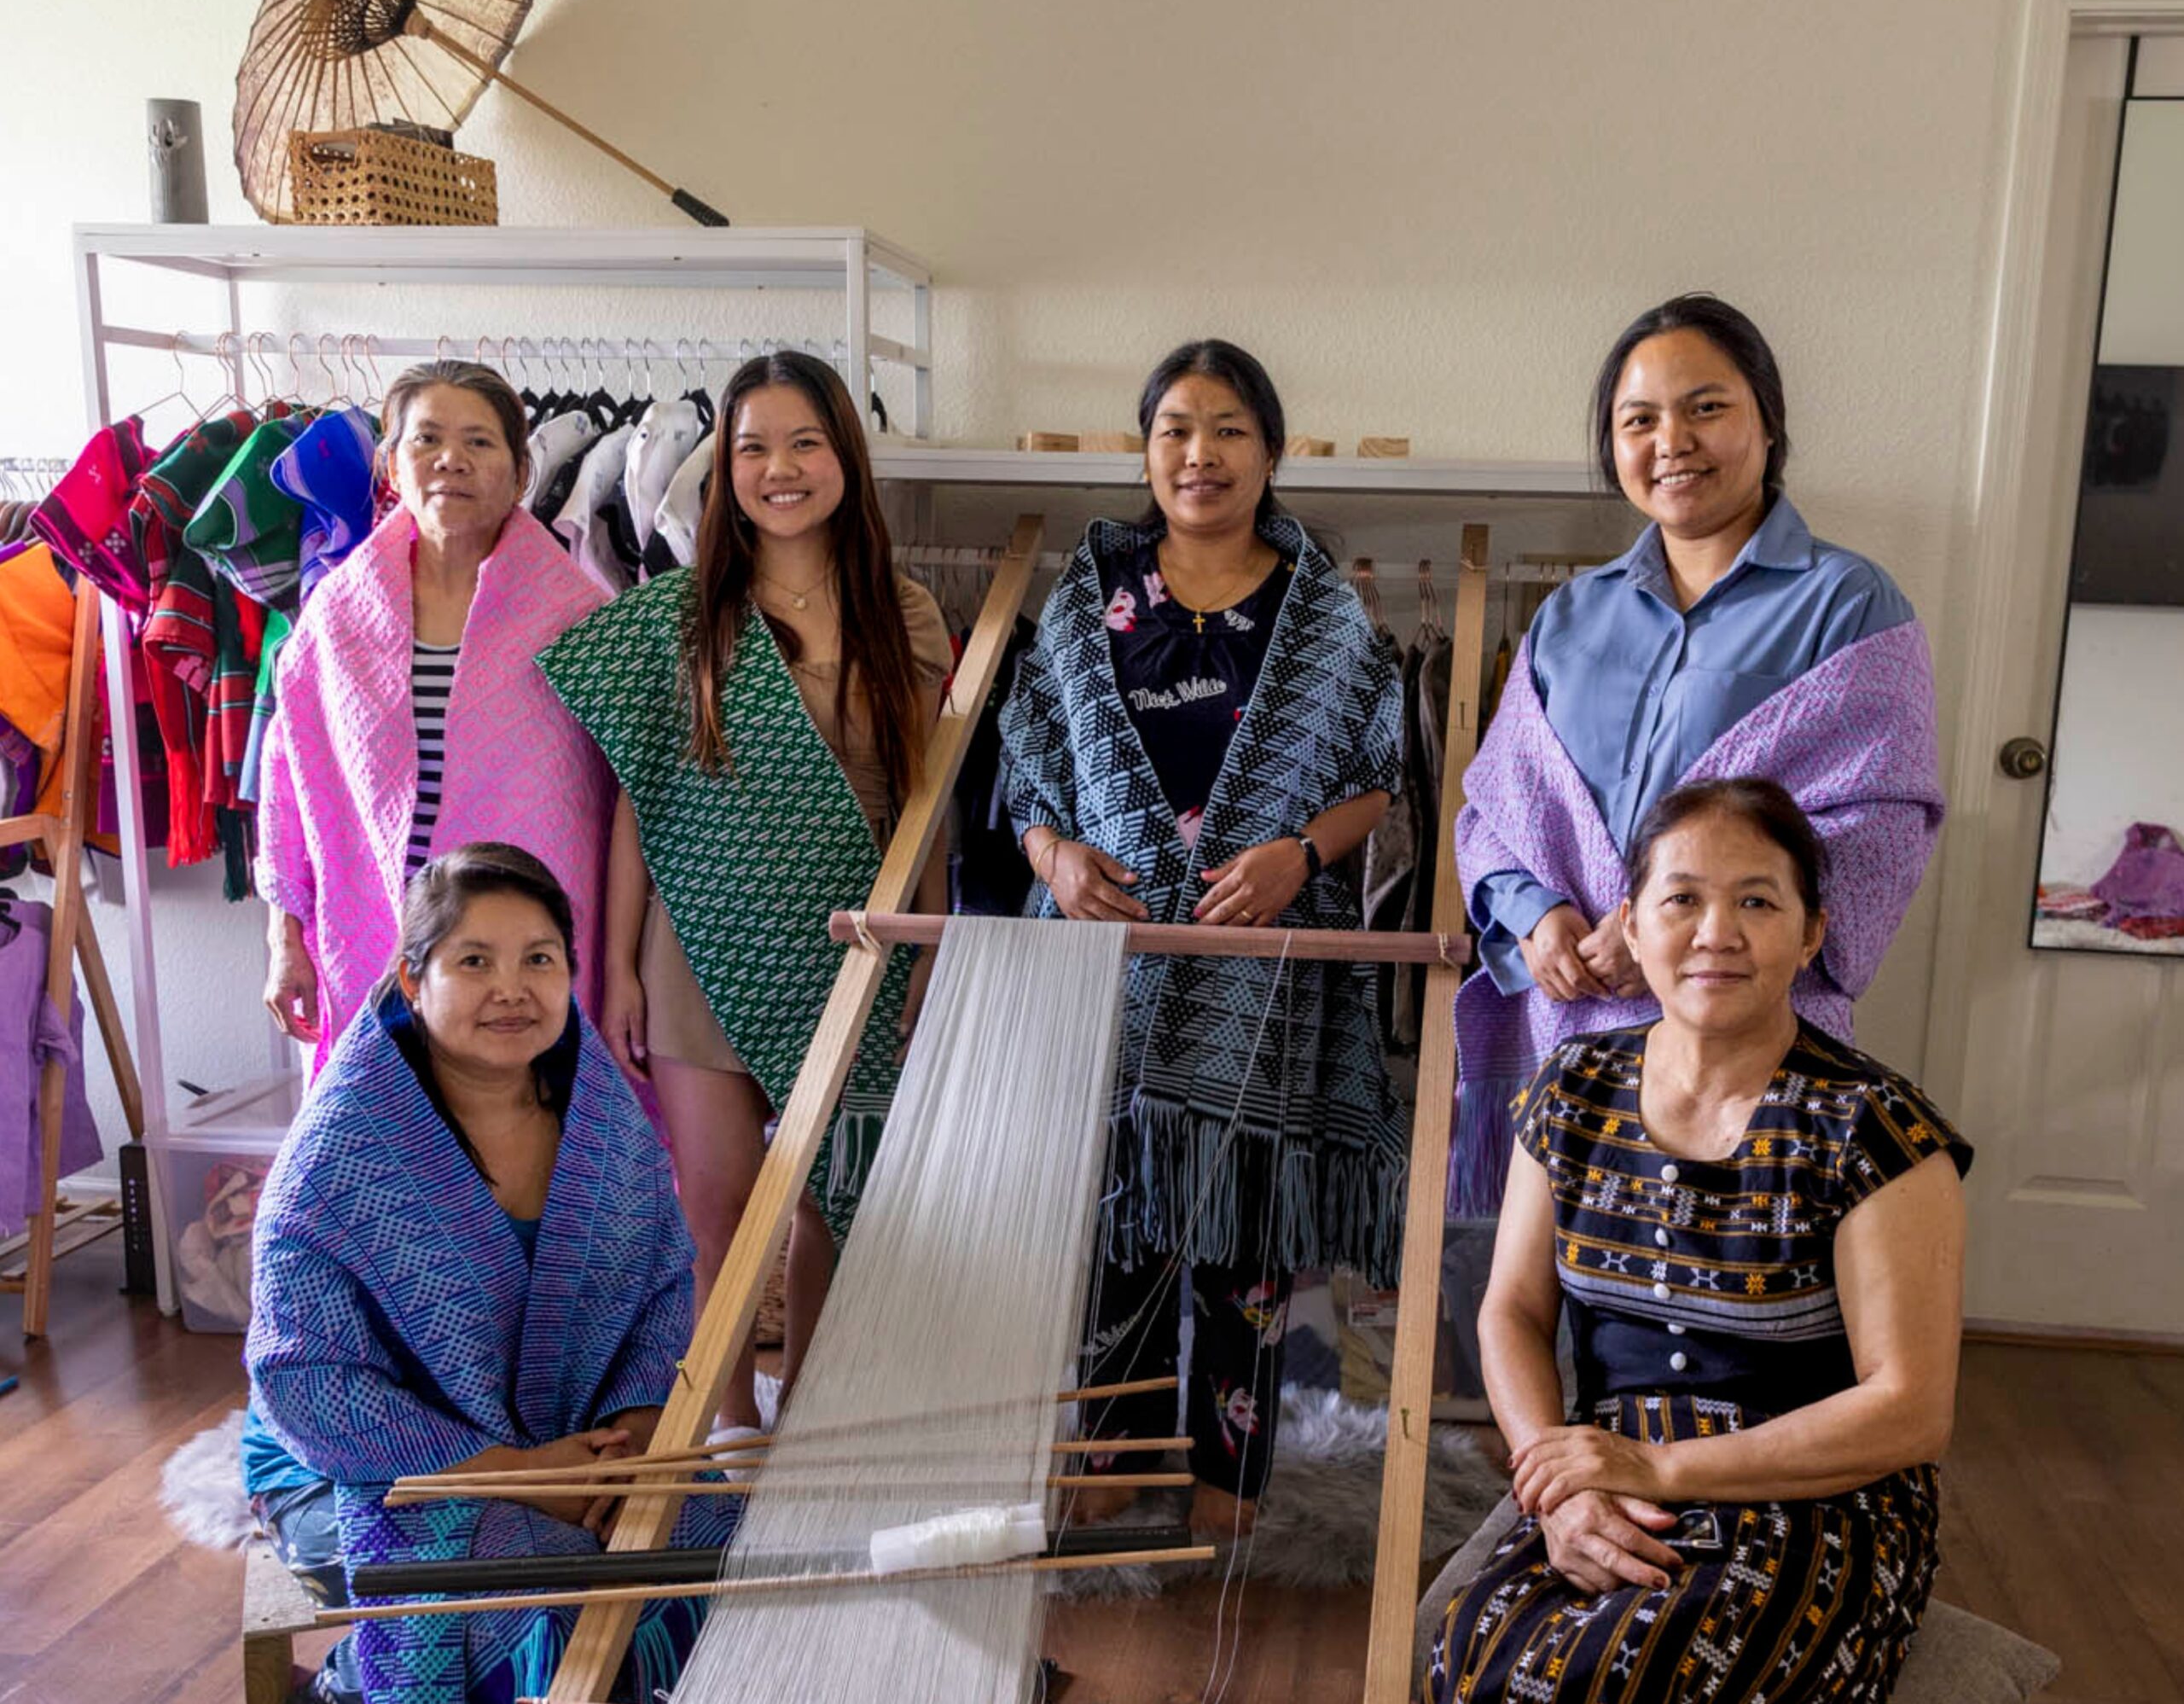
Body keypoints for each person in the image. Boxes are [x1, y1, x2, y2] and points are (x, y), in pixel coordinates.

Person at [1391, 779, 1970, 1704]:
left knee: (1634, 1683)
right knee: (1475, 1657)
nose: (1718, 931)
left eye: (1757, 900)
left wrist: (1653, 1474)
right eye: (1683, 899)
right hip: (1604, 1465)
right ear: (1633, 927)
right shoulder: (1578, 1089)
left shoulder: (1872, 1132)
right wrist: (1565, 1481)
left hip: (1817, 1496)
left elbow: (1911, 1410)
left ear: (1812, 932)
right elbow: (1509, 1318)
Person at [247, 844, 736, 1704]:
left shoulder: (598, 1113)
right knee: (530, 1568)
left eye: (541, 958)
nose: (512, 989)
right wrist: (515, 1470)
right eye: (474, 959)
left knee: (717, 1521)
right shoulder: (345, 1148)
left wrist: (638, 1421)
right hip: (354, 1463)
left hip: (567, 1434)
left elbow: (662, 1276)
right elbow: (303, 1377)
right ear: (412, 977)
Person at [1000, 340, 1407, 1536]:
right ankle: (1111, 1459)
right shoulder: (1086, 602)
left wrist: (1300, 858)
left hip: (1263, 973)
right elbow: (1028, 769)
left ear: (1270, 451)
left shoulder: (1324, 611)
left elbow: (1379, 773)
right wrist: (1055, 860)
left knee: (1245, 1237)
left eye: (1229, 429)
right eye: (1176, 428)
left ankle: (1228, 1481)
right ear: (1146, 451)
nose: (1201, 454)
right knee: (1113, 1218)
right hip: (1108, 967)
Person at [1449, 294, 1945, 1214]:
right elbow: (1497, 811)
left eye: (1705, 407)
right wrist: (1539, 916)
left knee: (1716, 1294)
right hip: (1573, 1027)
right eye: (1638, 420)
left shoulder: (1847, 603)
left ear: (1766, 419)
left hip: (1744, 1037)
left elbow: (1877, 827)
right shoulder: (1568, 616)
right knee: (1555, 1293)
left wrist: (1671, 932)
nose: (1671, 439)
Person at [537, 352, 951, 1434]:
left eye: (805, 443)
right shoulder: (672, 618)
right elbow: (643, 804)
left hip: (855, 942)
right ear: (723, 470)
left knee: (832, 1199)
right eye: (753, 447)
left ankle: (813, 1409)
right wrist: (620, 965)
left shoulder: (904, 613)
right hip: (698, 951)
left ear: (844, 462)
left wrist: (929, 946)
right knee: (715, 1203)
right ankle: (724, 1422)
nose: (779, 469)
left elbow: (927, 801)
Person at [258, 361, 615, 1074]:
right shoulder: (335, 618)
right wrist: (283, 939)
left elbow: (621, 808)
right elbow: (289, 784)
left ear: (521, 476)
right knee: (389, 1148)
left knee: (525, 1146)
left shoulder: (582, 619)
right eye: (427, 440)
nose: (451, 459)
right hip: (380, 937)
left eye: (480, 443)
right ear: (392, 465)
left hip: (525, 950)